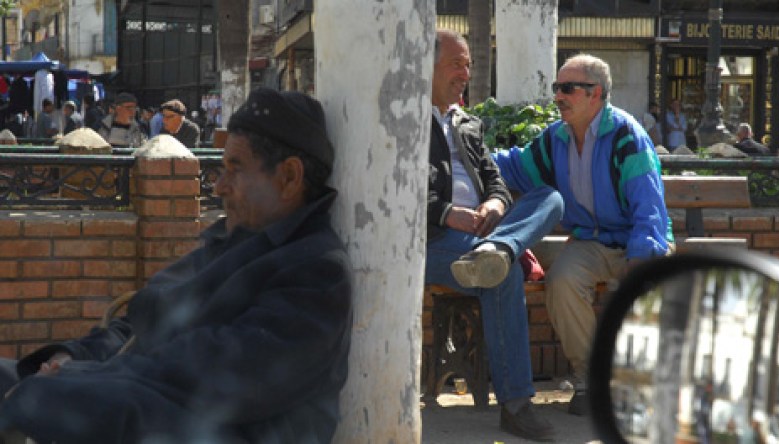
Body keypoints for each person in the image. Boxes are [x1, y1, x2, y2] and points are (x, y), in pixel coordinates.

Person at [0, 87, 353, 443]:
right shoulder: (231, 242)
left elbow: (222, 373)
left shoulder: (316, 270)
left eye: (235, 169)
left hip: (228, 431)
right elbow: (141, 324)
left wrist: (80, 379)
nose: (219, 186)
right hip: (150, 392)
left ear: (289, 177)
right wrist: (71, 358)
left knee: (46, 401)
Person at [492, 53, 672, 416]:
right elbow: (516, 167)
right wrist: (463, 155)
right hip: (590, 242)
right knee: (562, 280)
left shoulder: (626, 136)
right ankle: (592, 381)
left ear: (596, 93)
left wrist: (640, 260)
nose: (558, 96)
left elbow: (648, 206)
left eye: (569, 88)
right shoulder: (555, 139)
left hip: (639, 241)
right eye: (557, 87)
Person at [426, 29, 562, 441]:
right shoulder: (405, 120)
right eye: (456, 64)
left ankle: (498, 249)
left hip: (483, 235)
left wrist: (495, 206)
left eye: (468, 65)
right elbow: (394, 189)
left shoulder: (468, 123)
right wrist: (448, 214)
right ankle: (517, 405)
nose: (465, 74)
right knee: (503, 276)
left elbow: (496, 181)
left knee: (550, 198)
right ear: (427, 67)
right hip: (433, 240)